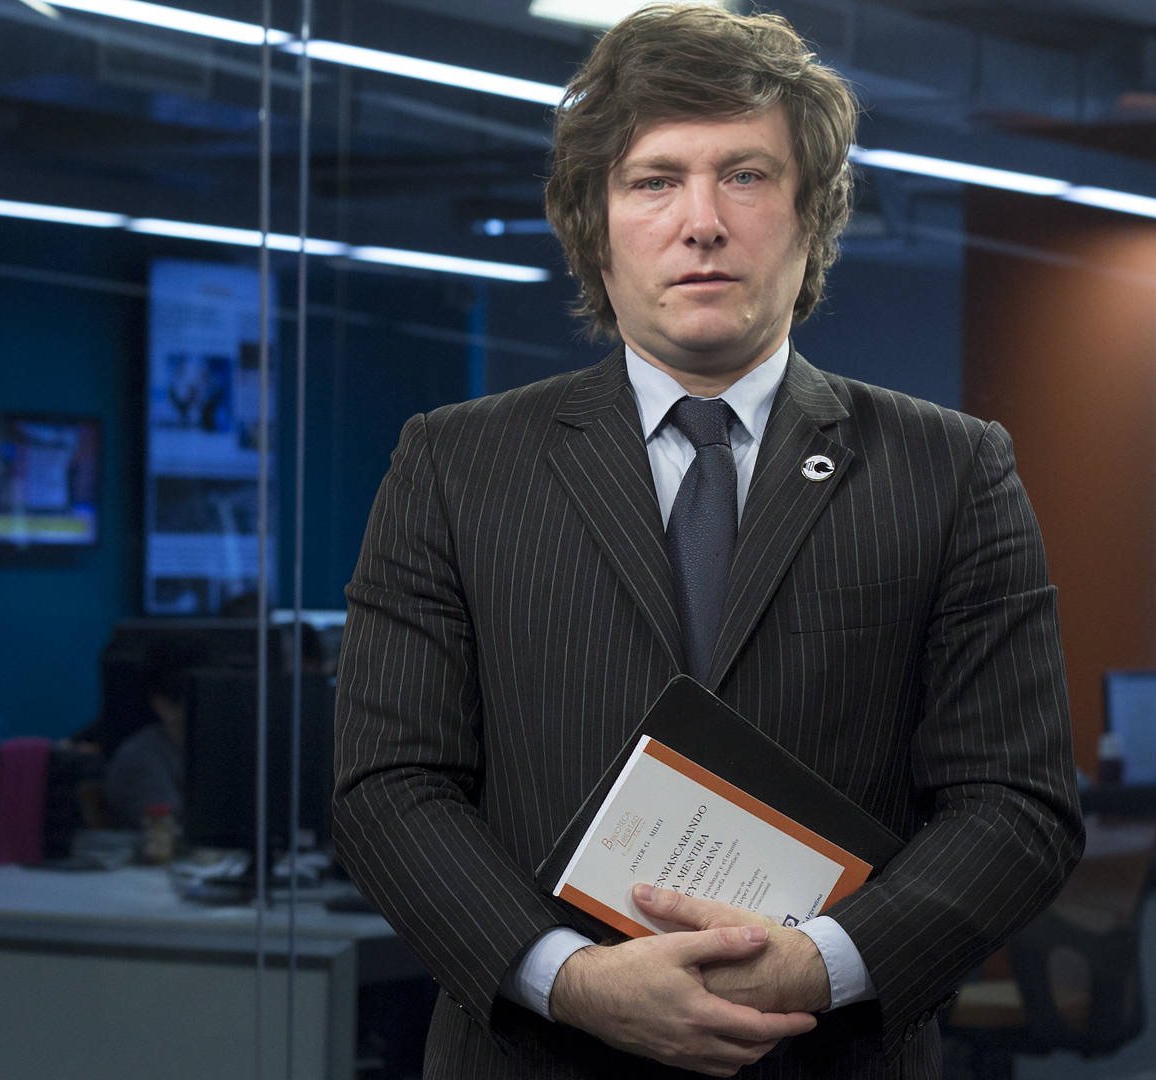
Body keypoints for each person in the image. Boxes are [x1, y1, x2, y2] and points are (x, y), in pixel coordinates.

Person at [331, 7, 1082, 1078]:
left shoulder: (952, 470)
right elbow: (387, 786)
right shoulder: (453, 466)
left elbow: (1019, 806)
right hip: (536, 1054)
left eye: (745, 175)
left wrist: (820, 965)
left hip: (828, 1054)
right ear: (594, 223)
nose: (701, 223)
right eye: (654, 181)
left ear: (811, 216)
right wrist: (570, 980)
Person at [101, 636, 210, 829]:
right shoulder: (139, 761)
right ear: (165, 707)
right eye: (207, 695)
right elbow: (179, 834)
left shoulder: (206, 754)